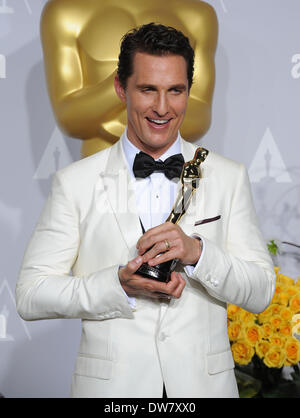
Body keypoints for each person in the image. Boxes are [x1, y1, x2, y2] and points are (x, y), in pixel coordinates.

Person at [16, 23, 275, 398]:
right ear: (121, 88)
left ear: (189, 91)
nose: (162, 108)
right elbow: (30, 294)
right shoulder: (74, 183)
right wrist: (117, 285)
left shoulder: (228, 177)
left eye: (176, 91)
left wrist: (198, 253)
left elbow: (261, 291)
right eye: (147, 90)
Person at [40, 0, 218, 157]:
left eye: (173, 90)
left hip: (175, 177)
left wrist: (121, 114)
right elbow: (70, 117)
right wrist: (133, 79)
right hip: (99, 175)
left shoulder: (198, 16)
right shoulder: (64, 13)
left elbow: (200, 116)